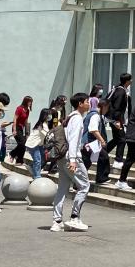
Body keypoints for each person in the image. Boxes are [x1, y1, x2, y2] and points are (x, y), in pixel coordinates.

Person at [51, 93, 91, 232]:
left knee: (62, 188)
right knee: (84, 186)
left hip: (62, 156)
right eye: (87, 101)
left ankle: (57, 221)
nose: (89, 104)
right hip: (72, 157)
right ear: (80, 104)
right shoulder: (78, 118)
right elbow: (73, 139)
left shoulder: (69, 117)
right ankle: (75, 217)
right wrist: (73, 160)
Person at [82, 98, 112, 185]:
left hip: (89, 143)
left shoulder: (93, 114)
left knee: (87, 162)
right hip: (90, 143)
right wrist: (102, 141)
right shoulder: (95, 116)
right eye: (107, 108)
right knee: (103, 157)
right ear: (104, 106)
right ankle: (101, 178)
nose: (107, 111)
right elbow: (93, 130)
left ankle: (79, 183)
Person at [107, 73, 133, 167]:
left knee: (117, 139)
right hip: (117, 120)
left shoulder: (120, 90)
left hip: (116, 120)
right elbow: (117, 107)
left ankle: (102, 152)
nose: (132, 81)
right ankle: (118, 160)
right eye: (130, 79)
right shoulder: (121, 91)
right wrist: (117, 121)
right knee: (122, 139)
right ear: (127, 81)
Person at [24, 108, 52, 180]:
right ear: (44, 115)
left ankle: (31, 167)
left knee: (43, 158)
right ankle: (37, 176)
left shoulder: (45, 124)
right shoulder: (41, 125)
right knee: (38, 160)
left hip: (39, 144)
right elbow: (48, 135)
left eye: (50, 114)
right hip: (33, 144)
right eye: (48, 114)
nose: (50, 116)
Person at [8, 96, 32, 164]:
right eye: (29, 102)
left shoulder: (27, 110)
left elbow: (26, 121)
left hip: (21, 128)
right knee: (22, 143)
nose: (30, 103)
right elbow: (15, 119)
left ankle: (19, 160)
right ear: (25, 101)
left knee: (23, 144)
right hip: (16, 127)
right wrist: (14, 130)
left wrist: (27, 132)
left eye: (31, 102)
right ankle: (12, 154)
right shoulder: (19, 108)